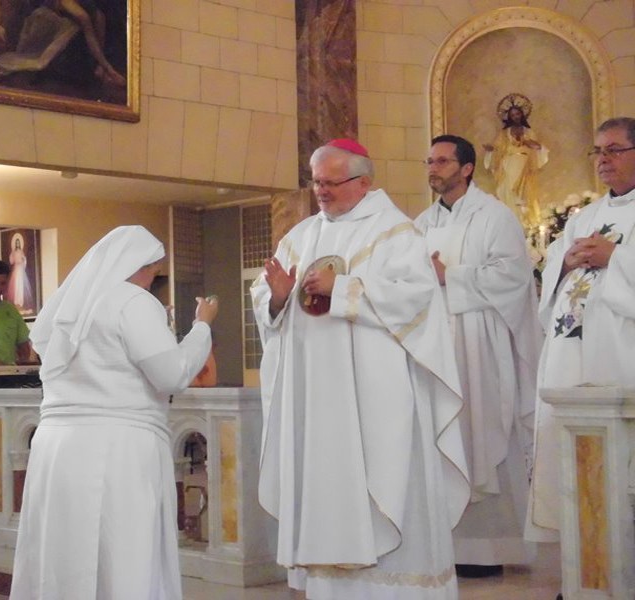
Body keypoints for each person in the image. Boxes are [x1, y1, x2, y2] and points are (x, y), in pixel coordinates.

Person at [251, 139, 470, 599]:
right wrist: (277, 297)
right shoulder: (300, 236)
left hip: (375, 394)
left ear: (364, 182)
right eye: (316, 182)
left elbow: (416, 299)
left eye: (331, 182)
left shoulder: (395, 232)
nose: (321, 191)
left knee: (384, 481)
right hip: (314, 398)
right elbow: (266, 300)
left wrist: (344, 288)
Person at [10, 225, 218, 599]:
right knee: (123, 552)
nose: (151, 282)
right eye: (153, 273)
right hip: (117, 447)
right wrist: (201, 327)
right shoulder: (133, 301)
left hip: (56, 448)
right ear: (139, 266)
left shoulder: (72, 304)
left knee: (61, 552)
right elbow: (171, 374)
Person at [415, 135, 542, 575]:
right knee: (441, 438)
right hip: (435, 345)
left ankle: (491, 550)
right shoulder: (420, 223)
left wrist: (450, 277)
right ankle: (444, 547)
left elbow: (513, 276)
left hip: (480, 344)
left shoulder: (495, 216)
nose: (433, 168)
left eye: (442, 161)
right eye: (430, 161)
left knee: (482, 437)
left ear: (467, 168)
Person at [527, 116, 635, 542]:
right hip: (570, 354)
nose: (603, 159)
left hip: (621, 353)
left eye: (614, 150)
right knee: (572, 462)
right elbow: (553, 267)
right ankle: (585, 558)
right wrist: (565, 263)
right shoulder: (583, 217)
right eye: (598, 151)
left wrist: (616, 258)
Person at [483, 94, 548, 227]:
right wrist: (491, 151)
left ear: (522, 114)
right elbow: (498, 149)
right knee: (507, 192)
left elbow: (538, 148)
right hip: (508, 166)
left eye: (517, 114)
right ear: (509, 117)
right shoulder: (504, 134)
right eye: (512, 115)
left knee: (524, 195)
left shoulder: (528, 132)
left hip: (525, 165)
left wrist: (536, 146)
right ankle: (509, 223)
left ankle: (526, 224)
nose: (516, 117)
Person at [6, 233, 34, 313]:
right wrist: (12, 255)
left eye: (18, 243)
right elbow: (11, 261)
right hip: (16, 269)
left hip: (21, 270)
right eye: (16, 243)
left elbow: (24, 261)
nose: (17, 244)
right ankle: (16, 302)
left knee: (21, 286)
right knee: (16, 286)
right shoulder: (13, 252)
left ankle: (21, 302)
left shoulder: (21, 252)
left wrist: (23, 260)